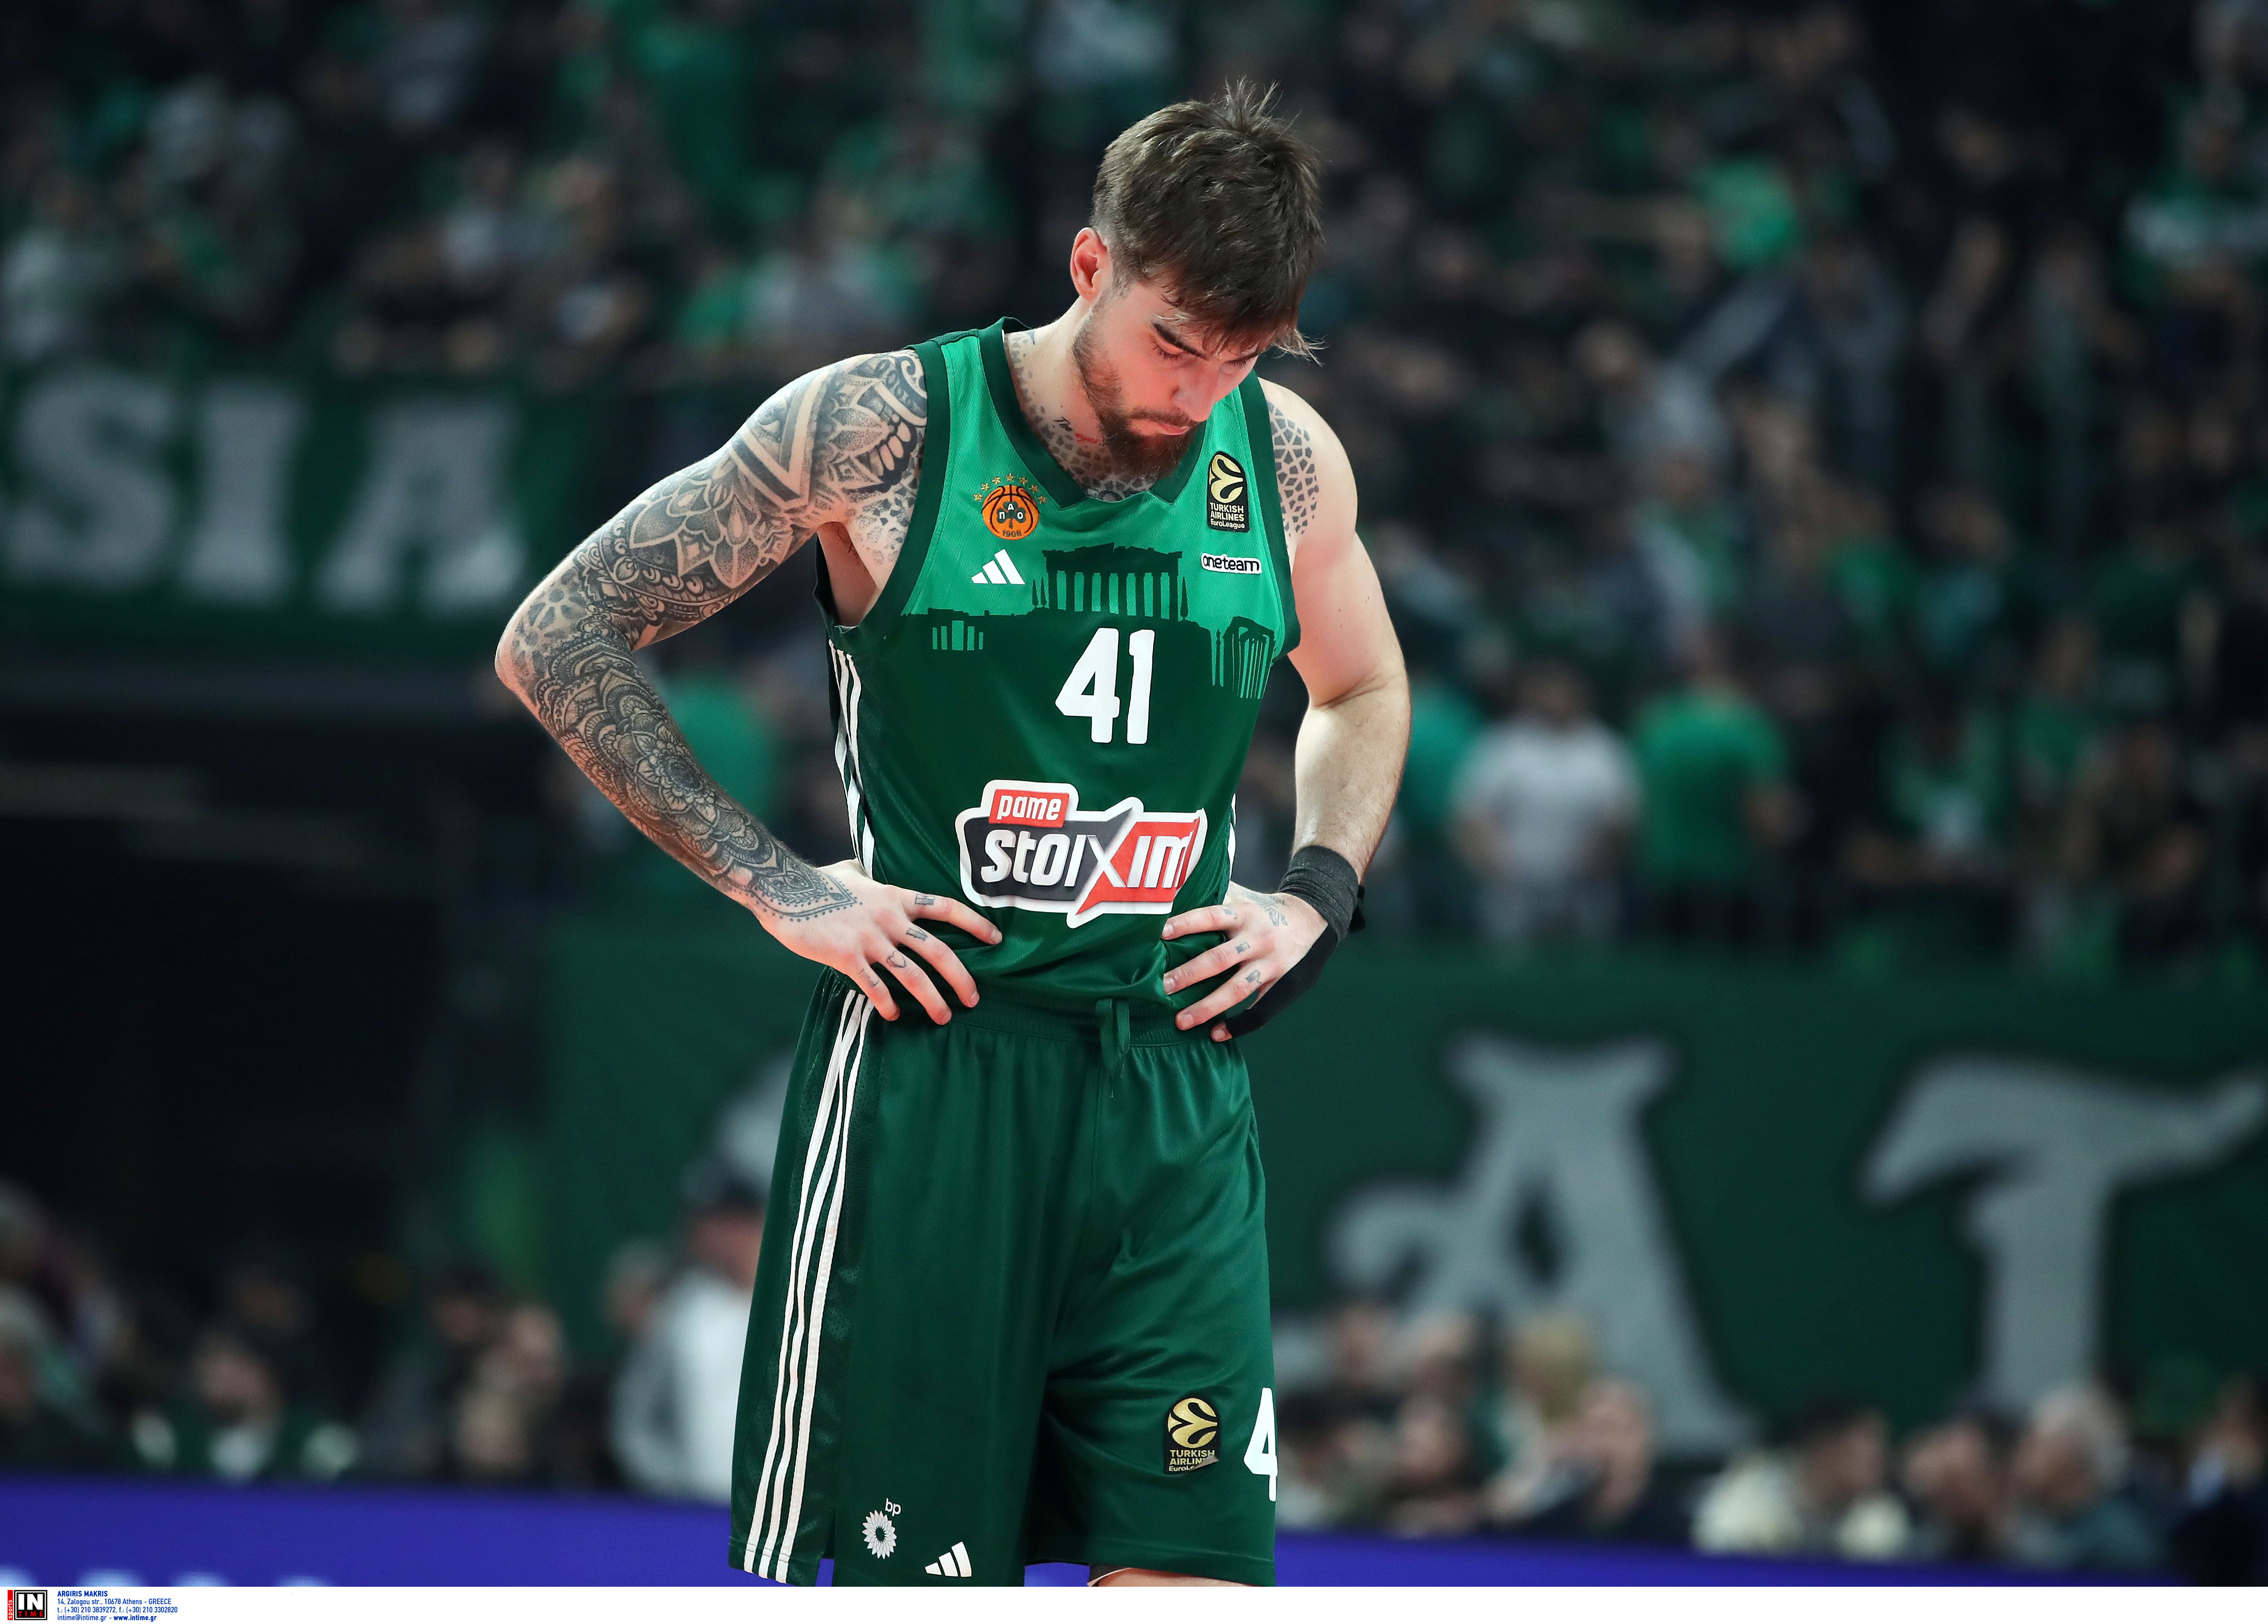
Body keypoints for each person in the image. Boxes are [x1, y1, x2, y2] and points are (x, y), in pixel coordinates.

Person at [497, 84, 1408, 1587]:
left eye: (1241, 356)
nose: (1198, 392)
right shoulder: (884, 429)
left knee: (1196, 1581)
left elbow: (1361, 684)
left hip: (1171, 1091)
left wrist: (1315, 891)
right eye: (1175, 341)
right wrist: (772, 883)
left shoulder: (1286, 460)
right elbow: (558, 632)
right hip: (938, 1076)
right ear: (1090, 265)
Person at [611, 1162, 766, 1502]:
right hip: (700, 1508)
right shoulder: (683, 1311)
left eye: (719, 1223)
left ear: (751, 1223)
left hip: (787, 1508)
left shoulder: (799, 1302)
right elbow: (636, 1419)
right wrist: (678, 1485)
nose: (705, 1237)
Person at [1452, 661, 1638, 945]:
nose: (1556, 700)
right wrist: (1494, 862)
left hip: (1585, 887)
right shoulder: (1503, 744)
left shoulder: (1604, 748)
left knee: (1587, 959)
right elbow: (1471, 815)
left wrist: (1599, 861)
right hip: (1513, 887)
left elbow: (1622, 818)